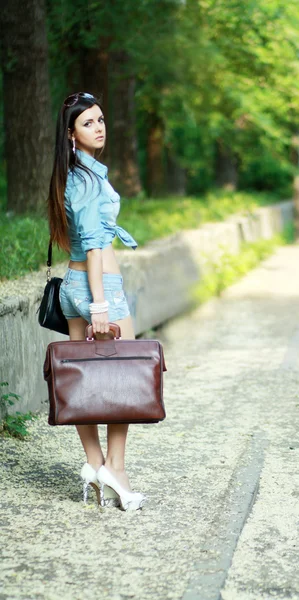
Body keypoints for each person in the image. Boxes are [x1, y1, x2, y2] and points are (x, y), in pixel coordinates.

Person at [47, 92, 145, 511]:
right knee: (128, 373)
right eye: (88, 123)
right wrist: (100, 305)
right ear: (71, 134)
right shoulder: (86, 180)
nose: (99, 127)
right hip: (94, 287)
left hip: (73, 285)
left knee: (82, 378)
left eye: (101, 119)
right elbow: (90, 245)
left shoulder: (74, 174)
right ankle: (115, 469)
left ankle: (93, 462)